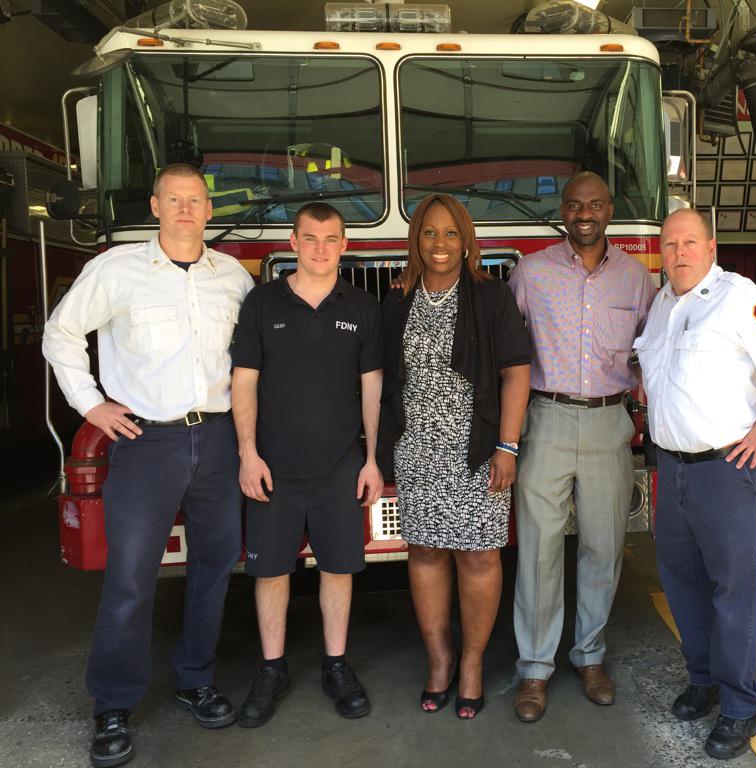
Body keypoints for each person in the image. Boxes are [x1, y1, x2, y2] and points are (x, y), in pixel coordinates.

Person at [42, 163, 254, 767]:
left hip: (218, 439)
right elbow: (60, 334)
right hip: (145, 443)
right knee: (131, 579)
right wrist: (92, 405)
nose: (186, 209)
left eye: (196, 200)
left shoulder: (233, 277)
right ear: (156, 207)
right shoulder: (116, 270)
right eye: (174, 199)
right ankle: (112, 705)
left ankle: (195, 680)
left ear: (209, 210)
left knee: (215, 569)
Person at [635, 209, 756, 760]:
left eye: (690, 242)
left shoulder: (740, 297)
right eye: (670, 244)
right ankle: (704, 679)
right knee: (682, 581)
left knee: (732, 589)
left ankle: (741, 704)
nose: (679, 253)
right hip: (672, 467)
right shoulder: (663, 304)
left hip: (727, 469)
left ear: (712, 247)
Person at [507, 171, 657, 723]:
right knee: (538, 550)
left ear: (609, 210)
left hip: (607, 423)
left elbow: (651, 349)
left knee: (603, 547)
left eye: (594, 204)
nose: (585, 213)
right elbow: (508, 353)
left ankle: (590, 656)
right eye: (574, 205)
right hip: (544, 419)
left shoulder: (636, 278)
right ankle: (534, 667)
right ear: (563, 211)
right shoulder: (531, 273)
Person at [230, 203, 384, 726]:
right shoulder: (261, 302)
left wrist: (372, 459)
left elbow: (372, 386)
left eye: (331, 238)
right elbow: (244, 381)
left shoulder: (363, 306)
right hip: (273, 466)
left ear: (345, 245)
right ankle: (271, 669)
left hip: (341, 465)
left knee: (338, 569)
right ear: (293, 242)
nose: (321, 248)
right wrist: (248, 454)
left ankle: (335, 665)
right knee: (270, 571)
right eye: (310, 238)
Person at [377, 193, 531, 720]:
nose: (440, 243)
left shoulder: (491, 296)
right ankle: (440, 659)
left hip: (478, 449)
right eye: (429, 233)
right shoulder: (398, 298)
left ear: (466, 240)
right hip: (416, 448)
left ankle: (472, 663)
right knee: (424, 552)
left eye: (450, 233)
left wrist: (507, 446)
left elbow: (516, 372)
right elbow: (385, 378)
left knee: (480, 556)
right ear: (415, 241)